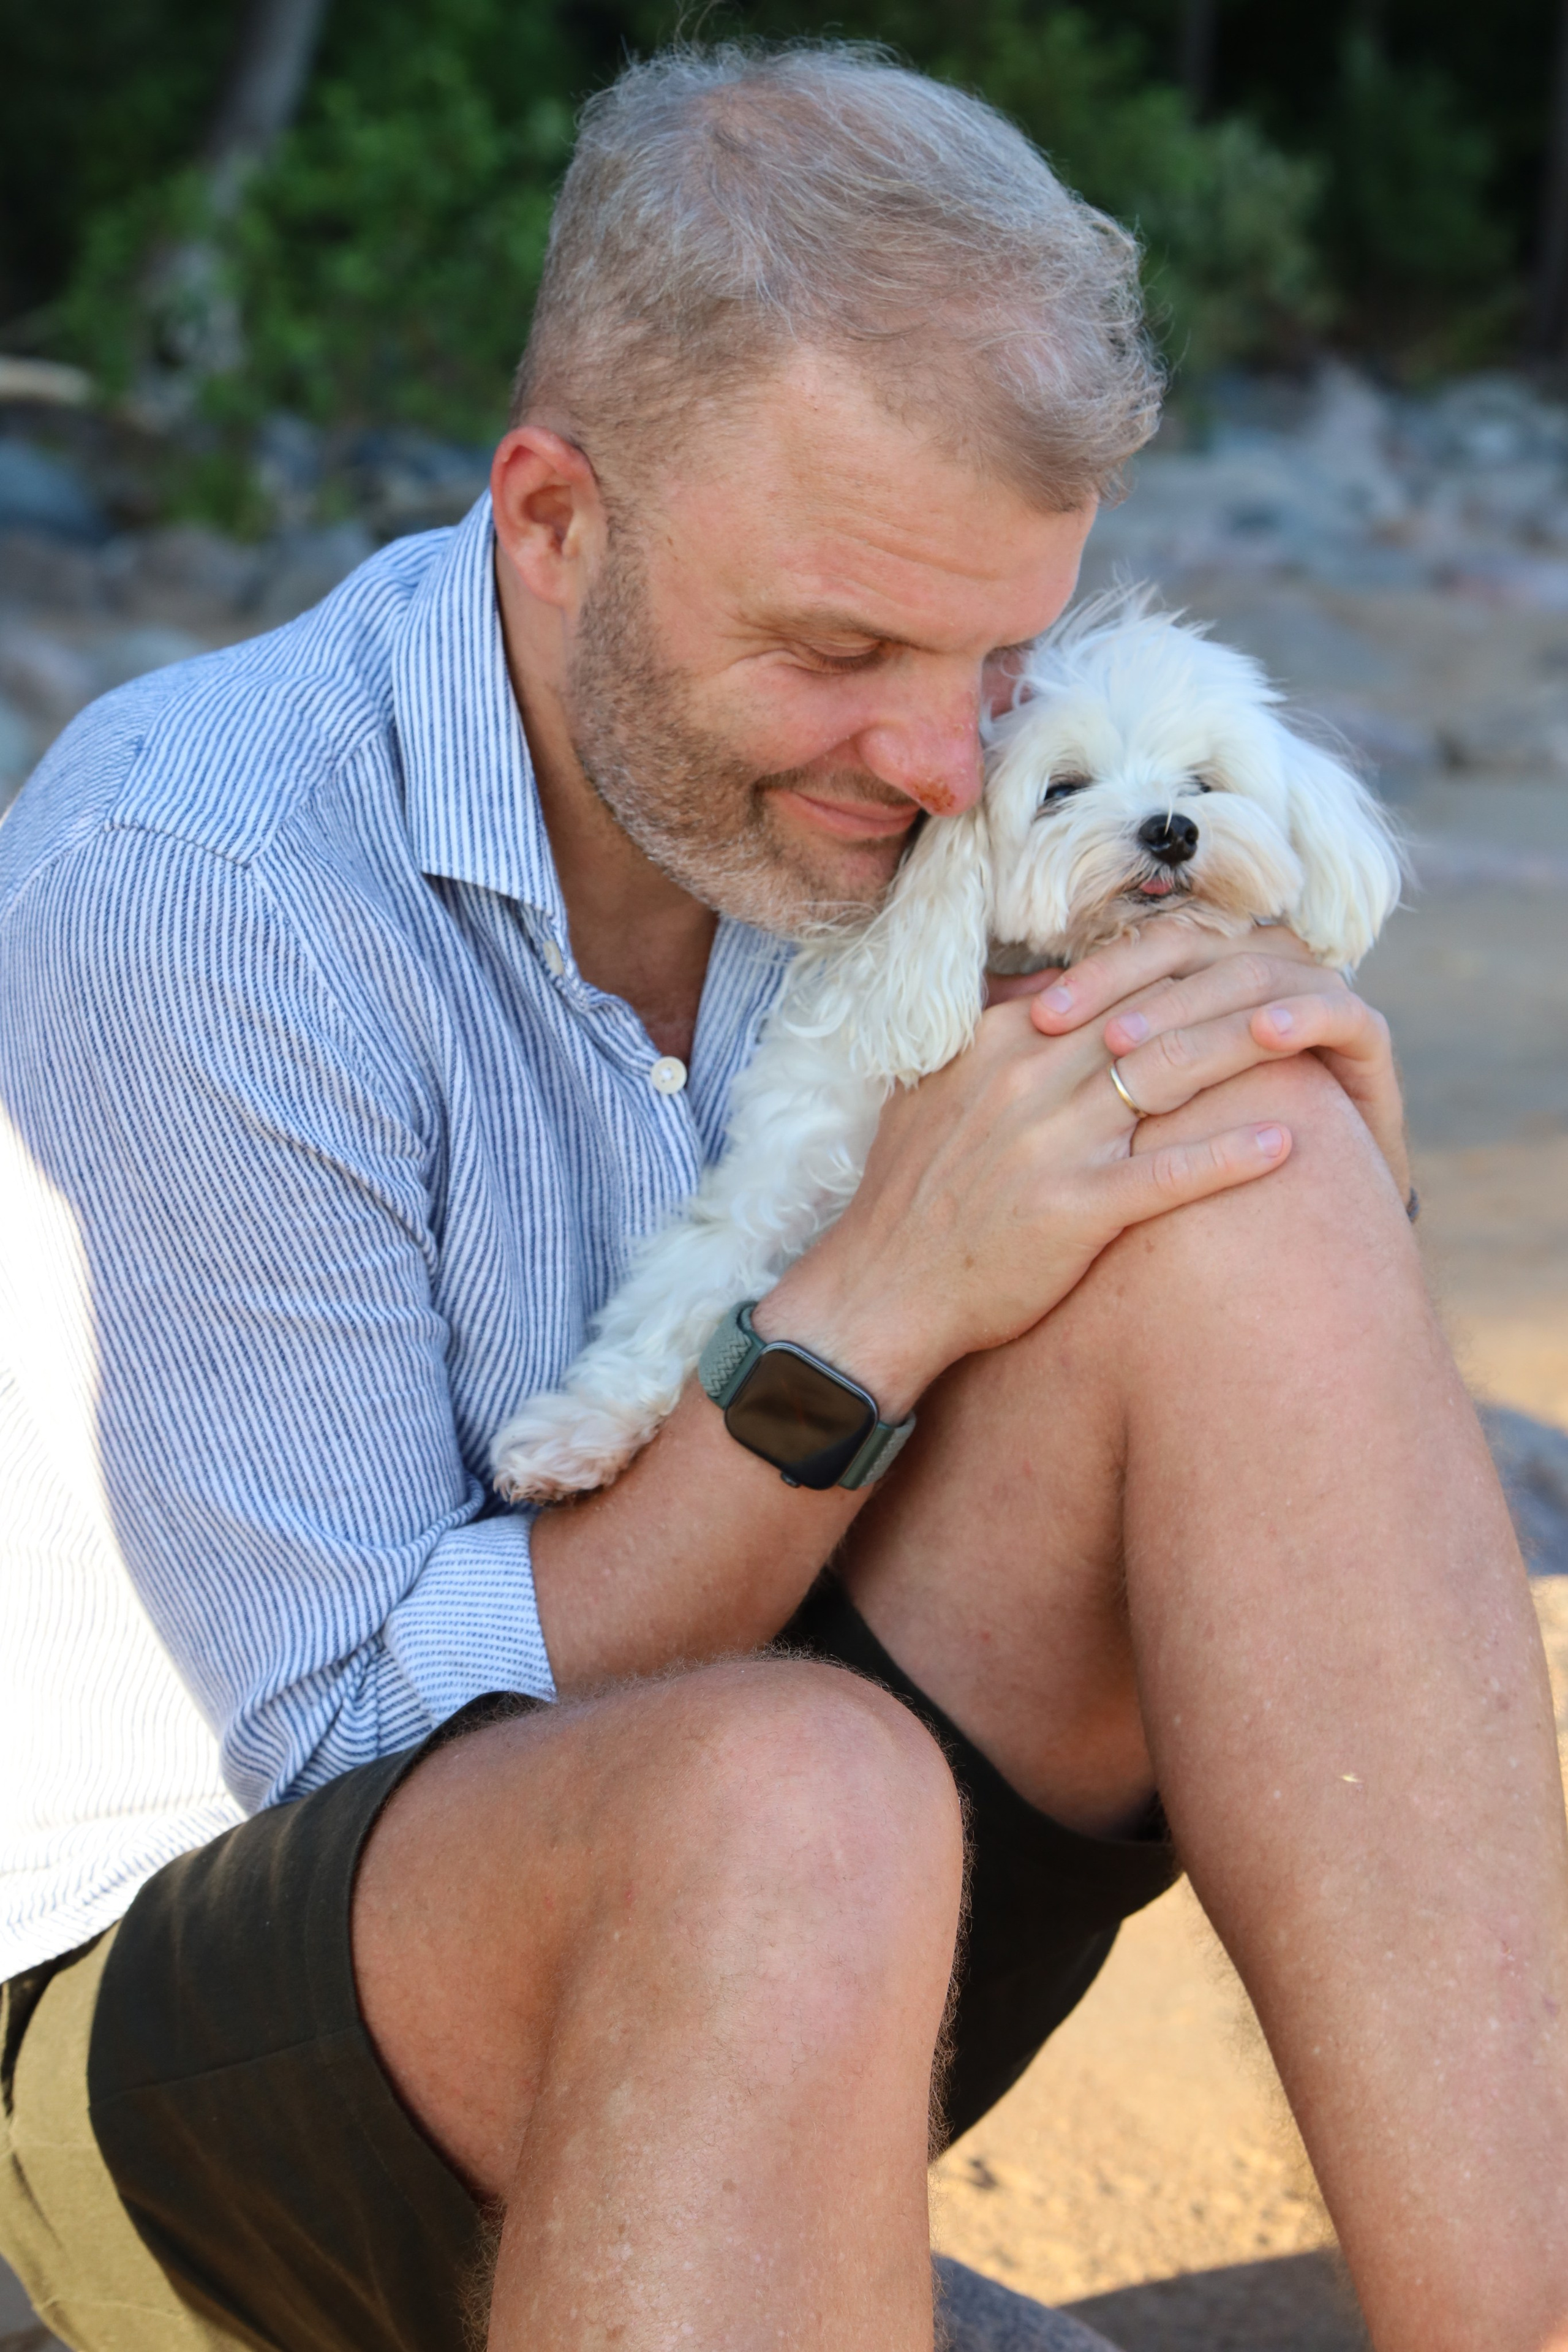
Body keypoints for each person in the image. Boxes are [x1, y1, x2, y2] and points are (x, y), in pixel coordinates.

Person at [2, 42, 1566, 2352]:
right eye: (839, 651)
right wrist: (857, 1325)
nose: (938, 764)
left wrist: (1323, 1193)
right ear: (554, 521)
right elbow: (335, 1752)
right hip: (179, 2052)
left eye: (997, 665)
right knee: (792, 1792)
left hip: (794, 1925)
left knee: (1253, 1178)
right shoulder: (207, 886)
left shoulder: (880, 816)